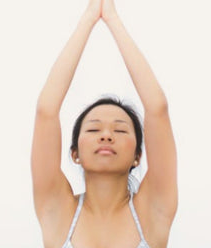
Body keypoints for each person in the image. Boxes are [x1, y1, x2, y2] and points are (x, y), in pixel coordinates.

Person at [30, 0, 178, 247]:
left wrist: (112, 19)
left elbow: (157, 109)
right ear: (74, 153)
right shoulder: (57, 210)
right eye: (93, 129)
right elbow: (46, 111)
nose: (107, 135)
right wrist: (88, 18)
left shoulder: (153, 211)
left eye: (120, 129)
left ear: (138, 156)